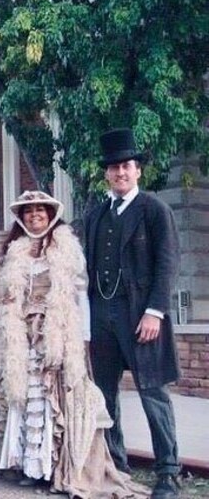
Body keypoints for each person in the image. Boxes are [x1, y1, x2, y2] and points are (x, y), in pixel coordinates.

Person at [0, 190, 148, 498]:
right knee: (26, 396)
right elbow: (8, 297)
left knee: (52, 399)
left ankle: (51, 466)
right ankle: (28, 466)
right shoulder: (15, 251)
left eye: (40, 212)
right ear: (22, 218)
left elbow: (80, 295)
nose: (35, 216)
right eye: (29, 212)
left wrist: (84, 338)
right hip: (24, 337)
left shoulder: (65, 248)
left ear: (50, 215)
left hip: (58, 335)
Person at [84, 128, 182, 499]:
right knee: (104, 396)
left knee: (152, 393)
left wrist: (155, 311)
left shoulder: (154, 210)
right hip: (102, 316)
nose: (120, 173)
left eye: (126, 166)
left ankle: (168, 473)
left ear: (138, 170)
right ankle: (116, 465)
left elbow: (167, 264)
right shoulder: (95, 215)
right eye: (113, 168)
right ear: (106, 174)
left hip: (141, 315)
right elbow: (86, 271)